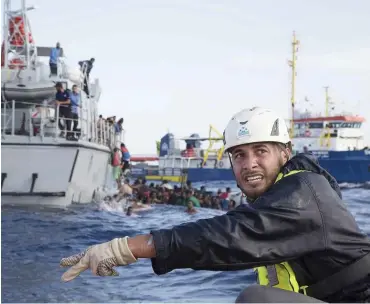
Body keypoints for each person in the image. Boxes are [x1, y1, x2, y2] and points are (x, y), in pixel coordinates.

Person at [60, 107, 370, 303]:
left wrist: (127, 248)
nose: (249, 164)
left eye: (261, 151)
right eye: (239, 156)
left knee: (256, 300)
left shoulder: (304, 191)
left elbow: (228, 235)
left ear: (285, 154)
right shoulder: (286, 196)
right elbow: (221, 246)